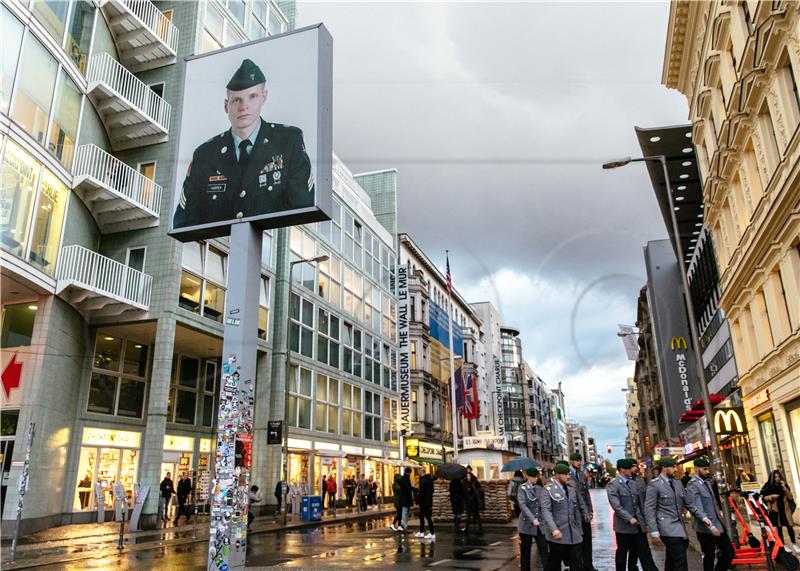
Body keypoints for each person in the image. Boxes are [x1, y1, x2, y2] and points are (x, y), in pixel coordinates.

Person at [173, 59, 315, 230]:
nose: (244, 106)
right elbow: (184, 224)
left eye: (252, 96)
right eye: (236, 100)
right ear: (226, 106)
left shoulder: (288, 142)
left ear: (264, 97)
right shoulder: (205, 155)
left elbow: (302, 212)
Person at [684, 457, 735, 571]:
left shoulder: (706, 483)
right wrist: (711, 526)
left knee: (729, 553)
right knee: (709, 556)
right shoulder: (693, 485)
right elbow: (697, 509)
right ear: (696, 469)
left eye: (708, 469)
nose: (707, 472)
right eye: (705, 469)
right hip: (706, 528)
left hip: (717, 525)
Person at [607, 458, 657, 571]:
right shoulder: (613, 485)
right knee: (622, 552)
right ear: (622, 470)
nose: (632, 469)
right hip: (623, 526)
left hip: (638, 525)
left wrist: (647, 520)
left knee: (644, 550)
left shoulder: (634, 482)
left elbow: (640, 503)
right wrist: (629, 518)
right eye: (630, 468)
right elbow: (616, 506)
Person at [644, 457, 689, 571]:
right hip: (666, 526)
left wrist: (703, 516)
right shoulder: (654, 485)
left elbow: (687, 502)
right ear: (664, 468)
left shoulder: (677, 483)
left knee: (672, 558)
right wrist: (654, 530)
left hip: (679, 525)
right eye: (673, 467)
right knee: (680, 560)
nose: (675, 469)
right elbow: (649, 508)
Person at [541, 462, 587, 571]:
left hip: (574, 534)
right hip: (558, 534)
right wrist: (554, 530)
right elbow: (546, 511)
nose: (568, 476)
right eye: (565, 474)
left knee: (577, 563)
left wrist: (579, 529)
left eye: (569, 474)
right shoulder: (548, 490)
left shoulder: (571, 489)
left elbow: (575, 510)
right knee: (554, 564)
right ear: (557, 475)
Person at [628, 461, 658, 571]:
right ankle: (634, 566)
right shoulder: (626, 481)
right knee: (635, 545)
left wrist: (647, 517)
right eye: (632, 467)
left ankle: (647, 567)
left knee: (641, 544)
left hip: (640, 518)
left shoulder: (640, 480)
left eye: (636, 466)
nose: (635, 469)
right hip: (629, 520)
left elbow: (644, 498)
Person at [518, 467, 549, 571]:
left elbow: (543, 505)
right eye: (534, 477)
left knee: (544, 548)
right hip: (526, 524)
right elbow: (523, 506)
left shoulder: (540, 488)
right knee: (526, 551)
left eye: (537, 476)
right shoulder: (522, 488)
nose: (536, 478)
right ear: (528, 477)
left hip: (540, 524)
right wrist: (532, 519)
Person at [568, 453, 595, 571]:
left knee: (587, 540)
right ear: (571, 461)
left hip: (585, 512)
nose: (579, 463)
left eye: (580, 460)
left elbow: (586, 493)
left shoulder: (582, 474)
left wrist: (590, 510)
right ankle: (577, 566)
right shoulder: (567, 475)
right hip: (574, 513)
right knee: (577, 541)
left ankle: (588, 565)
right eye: (576, 461)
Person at [760, 469, 797, 548]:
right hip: (775, 510)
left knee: (789, 526)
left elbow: (790, 497)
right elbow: (763, 498)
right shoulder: (768, 486)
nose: (777, 478)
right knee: (779, 528)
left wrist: (784, 488)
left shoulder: (784, 485)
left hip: (785, 509)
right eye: (775, 477)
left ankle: (794, 544)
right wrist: (771, 497)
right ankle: (783, 545)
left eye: (779, 477)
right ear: (772, 477)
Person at [416, 472, 436, 540]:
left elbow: (422, 492)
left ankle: (432, 533)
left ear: (421, 472)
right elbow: (431, 491)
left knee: (427, 516)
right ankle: (422, 531)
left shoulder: (424, 481)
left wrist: (418, 500)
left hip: (424, 502)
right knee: (422, 516)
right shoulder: (429, 480)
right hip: (427, 501)